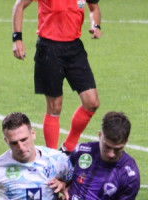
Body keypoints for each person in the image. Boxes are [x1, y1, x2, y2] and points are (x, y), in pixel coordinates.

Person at [12, 0, 101, 153]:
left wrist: (96, 25)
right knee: (54, 107)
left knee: (92, 102)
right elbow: (19, 5)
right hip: (48, 49)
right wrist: (17, 38)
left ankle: (68, 148)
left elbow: (94, 7)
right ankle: (51, 157)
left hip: (75, 49)